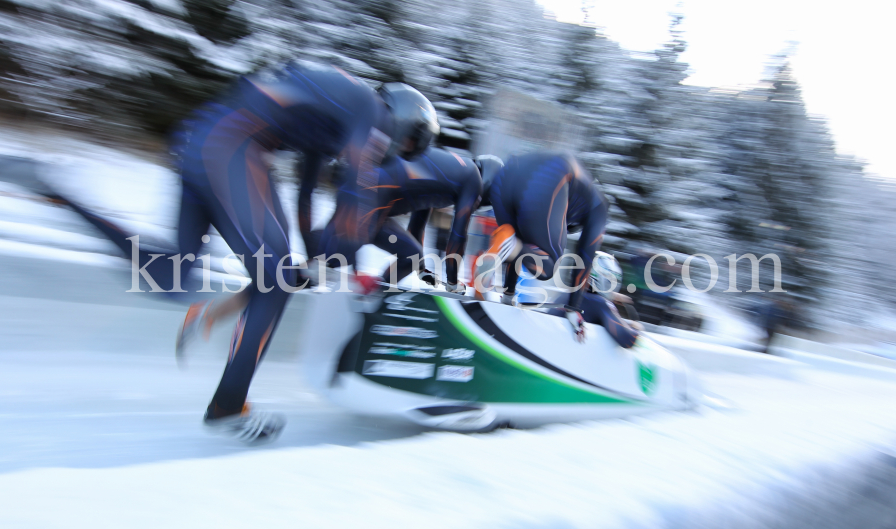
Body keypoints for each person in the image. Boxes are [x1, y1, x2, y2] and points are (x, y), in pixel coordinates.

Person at [39, 61, 396, 443]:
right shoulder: (371, 108)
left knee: (171, 278)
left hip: (198, 136)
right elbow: (357, 188)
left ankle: (58, 195)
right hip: (234, 144)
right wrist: (349, 262)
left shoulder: (333, 116)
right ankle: (228, 406)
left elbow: (307, 196)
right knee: (274, 279)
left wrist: (317, 263)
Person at [319, 83, 481, 292]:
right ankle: (318, 276)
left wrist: (421, 269)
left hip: (378, 194)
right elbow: (458, 235)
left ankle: (363, 291)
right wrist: (452, 283)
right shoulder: (472, 179)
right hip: (379, 193)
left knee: (409, 255)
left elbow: (419, 217)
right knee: (339, 253)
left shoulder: (449, 176)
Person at [480, 151, 617, 343]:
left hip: (506, 173)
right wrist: (574, 308)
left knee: (514, 240)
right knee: (548, 265)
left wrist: (508, 296)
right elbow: (586, 255)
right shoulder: (600, 207)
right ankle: (501, 265)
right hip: (553, 174)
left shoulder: (579, 193)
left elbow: (517, 241)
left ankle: (487, 286)